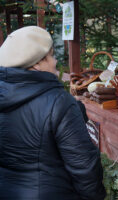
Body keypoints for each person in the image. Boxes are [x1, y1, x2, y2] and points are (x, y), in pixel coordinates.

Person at [0, 26, 106, 200]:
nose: (55, 62)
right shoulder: (58, 101)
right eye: (51, 56)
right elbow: (84, 167)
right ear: (36, 63)